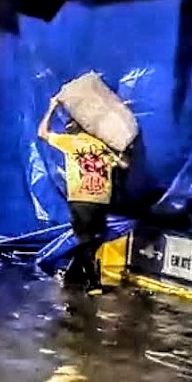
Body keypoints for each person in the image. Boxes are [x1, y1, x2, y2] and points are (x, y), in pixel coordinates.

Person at [38, 98, 126, 295]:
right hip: (102, 199)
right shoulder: (102, 145)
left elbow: (42, 132)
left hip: (81, 197)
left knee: (85, 240)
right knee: (92, 240)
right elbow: (124, 165)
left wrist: (51, 107)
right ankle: (74, 275)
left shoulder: (71, 142)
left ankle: (94, 284)